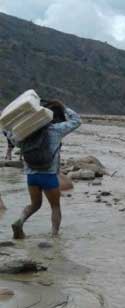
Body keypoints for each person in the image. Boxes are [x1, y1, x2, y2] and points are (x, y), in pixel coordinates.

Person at [10, 100, 81, 239]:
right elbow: (77, 121)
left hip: (31, 176)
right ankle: (55, 236)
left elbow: (13, 140)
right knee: (55, 207)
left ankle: (20, 220)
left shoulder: (28, 131)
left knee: (35, 205)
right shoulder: (56, 129)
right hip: (48, 175)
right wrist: (64, 106)